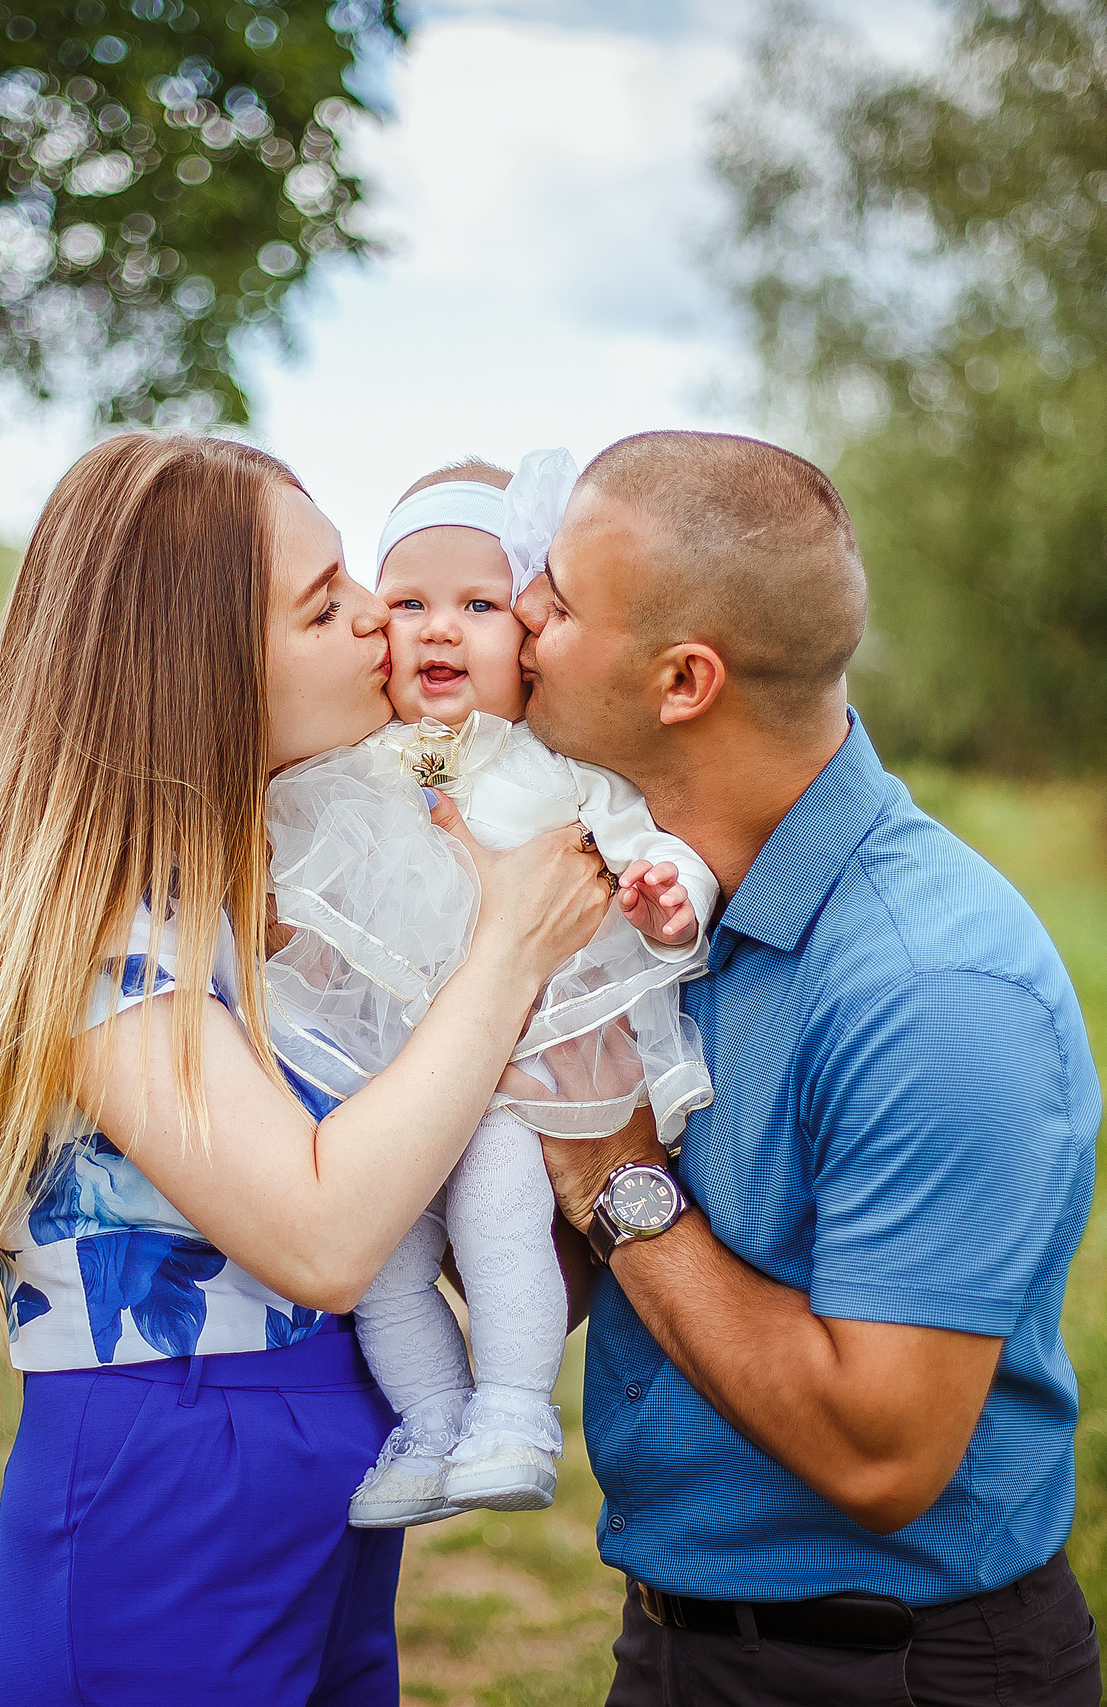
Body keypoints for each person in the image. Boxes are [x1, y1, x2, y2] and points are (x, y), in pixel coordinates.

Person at [0, 433, 613, 1707]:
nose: (376, 625)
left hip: (320, 1469)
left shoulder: (268, 893)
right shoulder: (98, 930)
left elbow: (425, 1206)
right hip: (171, 1491)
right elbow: (325, 1239)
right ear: (202, 663)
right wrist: (508, 948)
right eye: (325, 603)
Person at [513, 431, 1105, 1706]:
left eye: (557, 598)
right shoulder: (651, 900)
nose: (519, 613)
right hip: (676, 1641)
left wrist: (619, 1177)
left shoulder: (934, 987)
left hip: (888, 1671)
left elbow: (882, 1453)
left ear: (683, 681)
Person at [263, 452, 717, 1531]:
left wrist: (672, 892)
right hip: (396, 1074)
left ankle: (514, 1413)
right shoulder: (365, 762)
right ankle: (429, 1421)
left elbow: (650, 839)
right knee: (379, 1259)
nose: (434, 629)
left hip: (525, 1069)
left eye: (475, 605)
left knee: (503, 1213)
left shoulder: (557, 772)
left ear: (528, 639)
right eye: (406, 603)